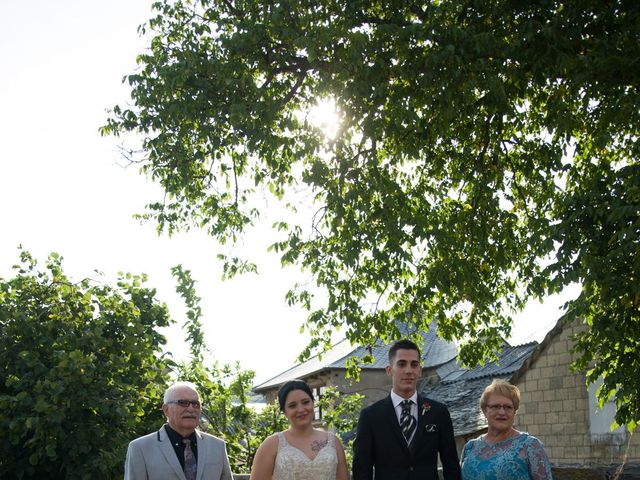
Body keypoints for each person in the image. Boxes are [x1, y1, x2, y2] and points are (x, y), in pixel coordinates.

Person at [352, 339, 461, 480]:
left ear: (420, 371)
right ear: (389, 370)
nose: (408, 370)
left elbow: (451, 465)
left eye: (414, 365)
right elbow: (361, 469)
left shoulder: (438, 412)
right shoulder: (371, 416)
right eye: (402, 364)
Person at [124, 381, 233, 480]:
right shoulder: (140, 448)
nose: (191, 409)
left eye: (195, 404)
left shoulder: (217, 446)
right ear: (166, 410)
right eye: (183, 403)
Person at [250, 379, 349, 480]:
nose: (301, 410)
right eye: (292, 406)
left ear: (313, 403)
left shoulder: (333, 442)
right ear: (284, 411)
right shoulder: (271, 445)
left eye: (305, 402)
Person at [460, 379, 553, 480]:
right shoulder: (470, 447)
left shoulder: (530, 446)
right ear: (485, 410)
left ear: (514, 411)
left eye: (508, 407)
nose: (502, 412)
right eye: (495, 406)